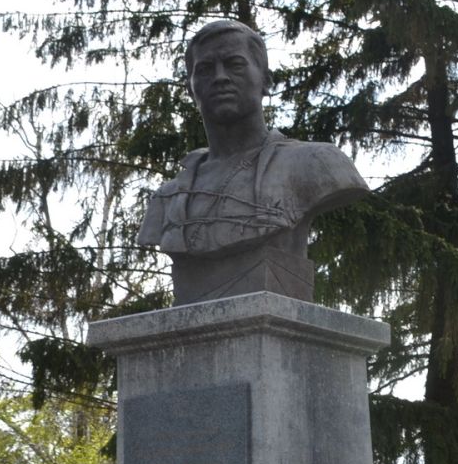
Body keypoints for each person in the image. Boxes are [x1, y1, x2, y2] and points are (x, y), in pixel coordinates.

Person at [137, 18, 369, 304]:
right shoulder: (168, 198)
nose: (220, 77)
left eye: (234, 64)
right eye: (205, 69)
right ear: (191, 88)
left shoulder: (317, 163)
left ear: (266, 82)